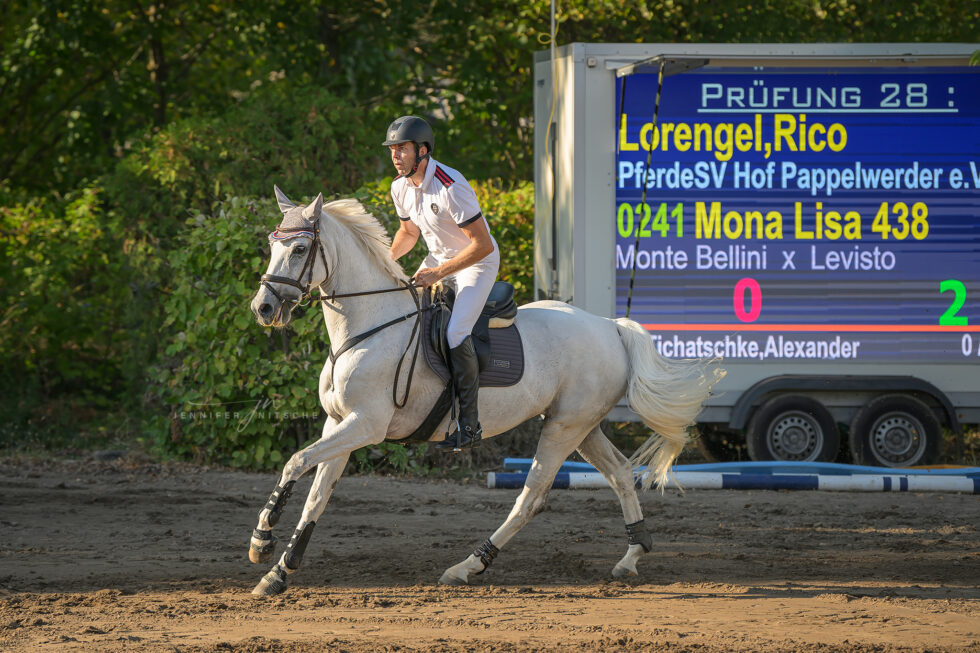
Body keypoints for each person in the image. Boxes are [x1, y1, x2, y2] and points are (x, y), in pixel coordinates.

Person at [385, 115, 499, 450]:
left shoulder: (451, 185)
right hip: (437, 261)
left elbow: (483, 245)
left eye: (402, 149)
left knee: (455, 332)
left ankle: (470, 424)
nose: (395, 156)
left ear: (422, 150)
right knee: (401, 313)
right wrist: (386, 263)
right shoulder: (399, 187)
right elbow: (408, 233)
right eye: (392, 149)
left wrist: (440, 272)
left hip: (474, 263)